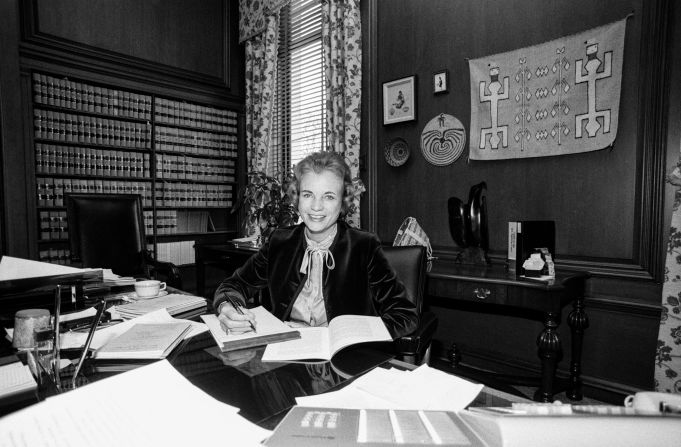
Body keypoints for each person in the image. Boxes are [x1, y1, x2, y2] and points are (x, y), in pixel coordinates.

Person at [213, 151, 418, 339]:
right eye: (308, 194)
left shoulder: (364, 247)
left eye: (328, 196)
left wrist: (350, 335)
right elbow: (234, 285)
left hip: (343, 358)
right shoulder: (279, 242)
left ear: (343, 201)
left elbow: (405, 316)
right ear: (297, 197)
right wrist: (228, 307)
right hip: (284, 356)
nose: (316, 206)